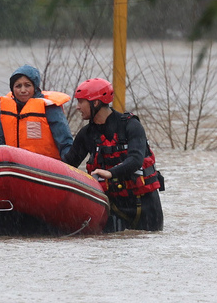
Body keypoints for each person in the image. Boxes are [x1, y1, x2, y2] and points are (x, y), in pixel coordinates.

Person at [62, 78, 165, 232]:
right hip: (114, 208)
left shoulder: (131, 126)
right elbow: (67, 166)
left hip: (145, 206)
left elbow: (136, 159)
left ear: (95, 103)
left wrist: (110, 173)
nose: (77, 107)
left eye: (81, 102)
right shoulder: (86, 134)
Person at [0, 64, 73, 160]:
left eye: (27, 85)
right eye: (18, 86)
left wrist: (69, 165)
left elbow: (65, 142)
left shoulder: (49, 108)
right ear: (12, 89)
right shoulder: (6, 110)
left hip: (46, 166)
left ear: (35, 87)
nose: (23, 90)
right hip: (14, 165)